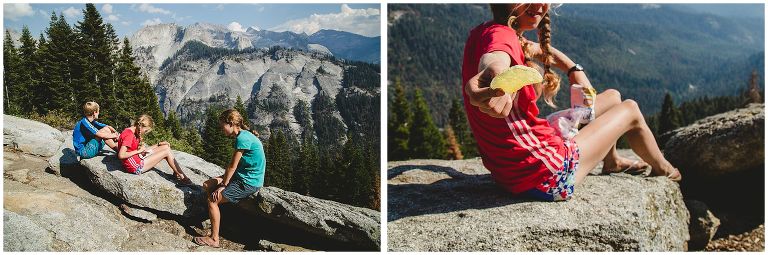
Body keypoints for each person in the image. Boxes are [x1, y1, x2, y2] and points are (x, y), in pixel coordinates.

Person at [462, 3, 681, 201]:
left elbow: (534, 48)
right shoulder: (501, 37)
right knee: (630, 109)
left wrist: (572, 68)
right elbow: (496, 56)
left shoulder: (486, 30)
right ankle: (665, 169)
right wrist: (496, 74)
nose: (540, 4)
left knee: (613, 97)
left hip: (511, 169)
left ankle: (611, 161)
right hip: (543, 174)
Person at [194, 109, 265, 248]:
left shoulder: (242, 138)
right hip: (241, 175)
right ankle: (215, 218)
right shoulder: (244, 135)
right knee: (207, 185)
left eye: (223, 126)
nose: (221, 130)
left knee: (212, 200)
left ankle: (214, 239)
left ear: (231, 124)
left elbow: (232, 166)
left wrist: (223, 186)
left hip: (248, 182)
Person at [116, 114, 192, 185]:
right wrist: (138, 151)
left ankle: (176, 173)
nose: (145, 133)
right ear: (141, 126)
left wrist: (158, 144)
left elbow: (141, 150)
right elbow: (121, 155)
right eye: (146, 131)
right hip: (136, 166)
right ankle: (183, 178)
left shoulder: (132, 131)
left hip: (138, 158)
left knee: (165, 147)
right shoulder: (129, 135)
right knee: (166, 152)